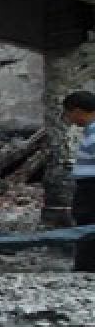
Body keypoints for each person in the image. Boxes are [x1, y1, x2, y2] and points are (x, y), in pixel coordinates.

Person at [63, 90, 95, 272]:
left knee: (87, 225)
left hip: (91, 189)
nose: (69, 118)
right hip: (88, 186)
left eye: (68, 113)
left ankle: (87, 267)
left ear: (77, 111)